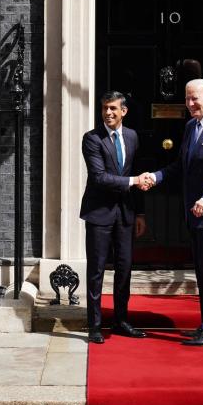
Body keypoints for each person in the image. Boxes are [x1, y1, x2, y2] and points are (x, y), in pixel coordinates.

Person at [142, 79, 203, 346]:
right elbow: (179, 166)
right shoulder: (191, 127)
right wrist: (157, 176)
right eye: (187, 99)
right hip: (194, 213)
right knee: (202, 271)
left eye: (195, 98)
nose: (190, 103)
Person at [80, 91, 151, 344]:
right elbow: (99, 177)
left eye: (112, 109)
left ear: (124, 111)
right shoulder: (92, 139)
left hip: (126, 214)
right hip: (99, 213)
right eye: (104, 109)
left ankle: (121, 321)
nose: (108, 113)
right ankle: (95, 325)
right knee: (96, 271)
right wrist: (133, 181)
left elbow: (135, 172)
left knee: (124, 269)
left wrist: (140, 212)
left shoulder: (131, 136)